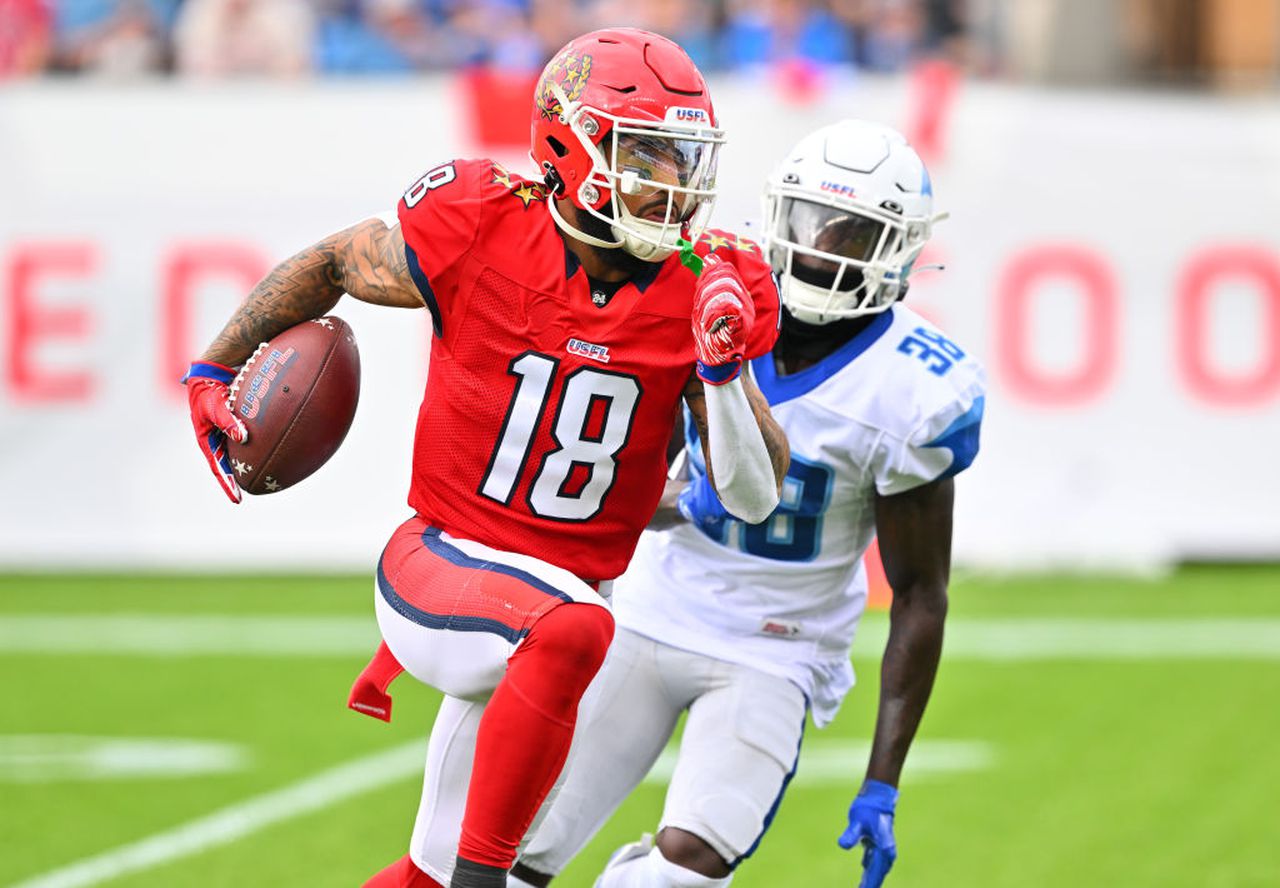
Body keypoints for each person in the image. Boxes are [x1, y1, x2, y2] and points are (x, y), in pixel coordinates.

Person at [181, 28, 790, 888]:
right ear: (567, 146)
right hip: (442, 562)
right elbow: (334, 263)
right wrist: (213, 365)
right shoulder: (480, 220)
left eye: (685, 158)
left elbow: (756, 497)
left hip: (556, 599)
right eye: (647, 153)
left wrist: (723, 376)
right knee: (575, 632)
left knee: (423, 873)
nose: (673, 183)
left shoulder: (704, 281)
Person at [507, 119, 985, 888]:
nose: (827, 249)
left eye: (858, 236)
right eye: (812, 222)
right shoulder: (709, 294)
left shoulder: (913, 389)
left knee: (685, 875)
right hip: (650, 608)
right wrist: (654, 503)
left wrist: (883, 780)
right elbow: (631, 466)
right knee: (515, 852)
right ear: (777, 213)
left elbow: (922, 594)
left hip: (775, 644)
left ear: (898, 251)